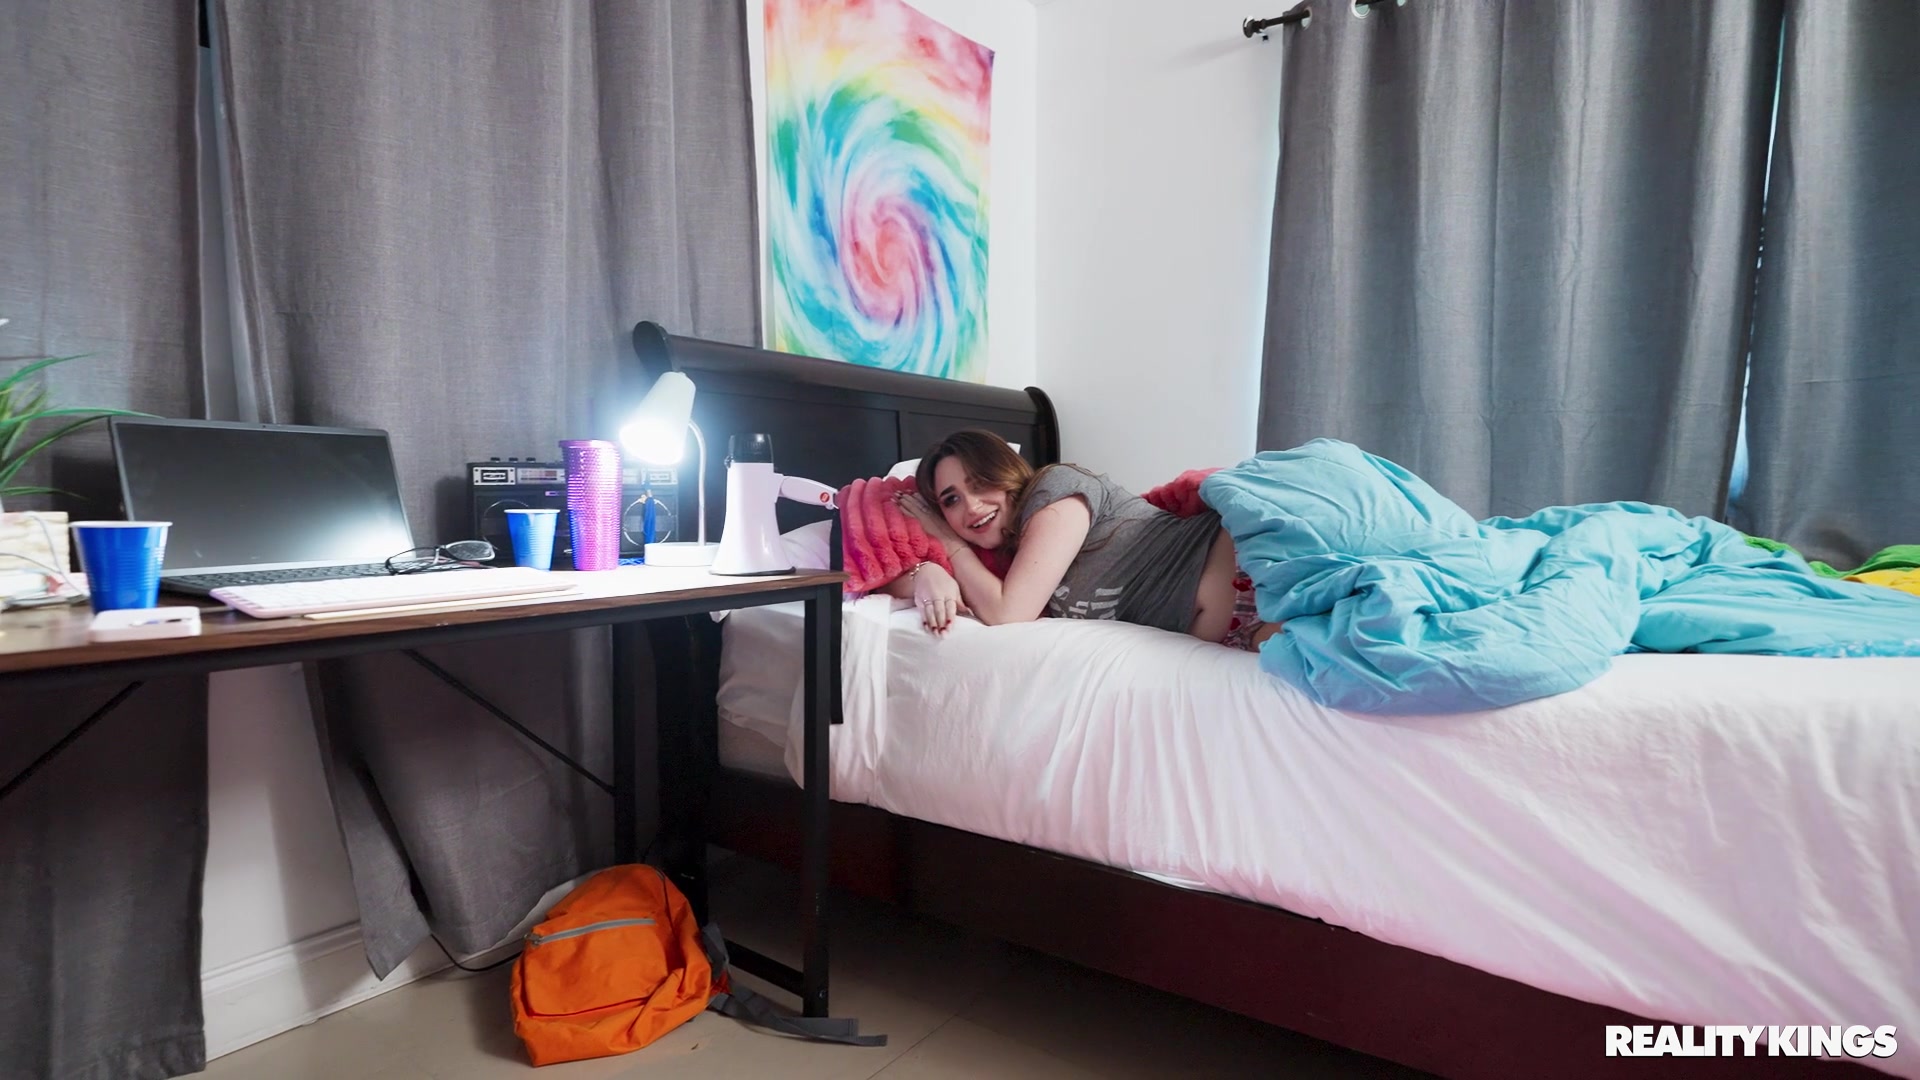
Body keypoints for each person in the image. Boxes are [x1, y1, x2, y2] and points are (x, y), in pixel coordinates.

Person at [882, 429, 1278, 649]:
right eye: (951, 500)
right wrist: (928, 571)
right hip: (1239, 631)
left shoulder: (1056, 491)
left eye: (980, 482)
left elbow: (1008, 613)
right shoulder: (1001, 560)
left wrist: (949, 543)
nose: (971, 506)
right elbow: (881, 581)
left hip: (1258, 569)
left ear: (1006, 472)